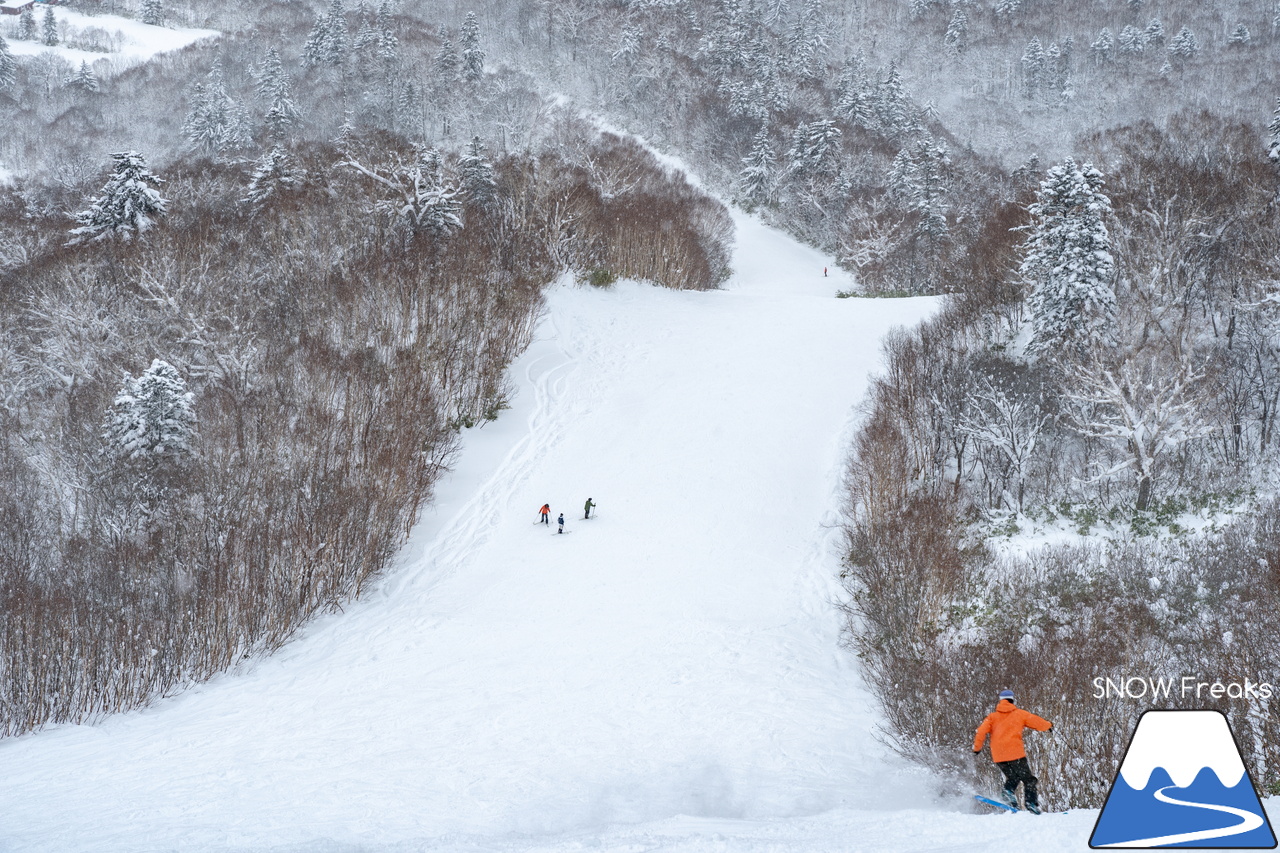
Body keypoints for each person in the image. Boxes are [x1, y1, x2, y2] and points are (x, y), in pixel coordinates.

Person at [973, 689, 1053, 814]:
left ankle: (1008, 793)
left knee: (1013, 777)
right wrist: (1049, 725)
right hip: (1015, 754)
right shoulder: (1020, 714)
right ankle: (1030, 803)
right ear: (1012, 700)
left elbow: (981, 732)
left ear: (1000, 701)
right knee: (1029, 780)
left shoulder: (992, 717)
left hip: (999, 755)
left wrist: (977, 749)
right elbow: (1038, 722)